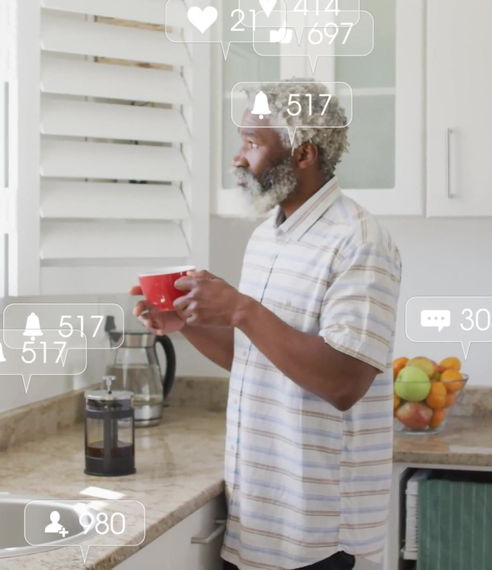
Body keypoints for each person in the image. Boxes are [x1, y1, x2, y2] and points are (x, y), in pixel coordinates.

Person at [131, 81, 402, 570]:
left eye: (253, 144)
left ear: (304, 154)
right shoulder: (267, 237)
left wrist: (240, 309)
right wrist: (186, 323)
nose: (238, 158)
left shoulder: (360, 241)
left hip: (320, 538)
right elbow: (258, 358)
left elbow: (344, 383)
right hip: (258, 525)